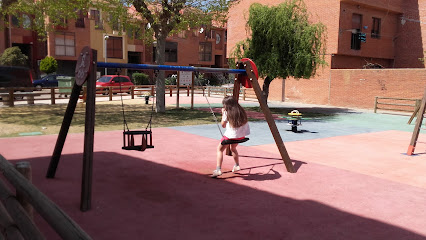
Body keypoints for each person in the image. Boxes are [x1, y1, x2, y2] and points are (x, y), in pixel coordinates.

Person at [212, 96, 250, 177]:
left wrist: (223, 114)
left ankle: (218, 169)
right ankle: (237, 165)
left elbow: (223, 125)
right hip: (241, 136)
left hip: (230, 137)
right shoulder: (241, 111)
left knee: (219, 150)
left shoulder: (227, 112)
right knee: (233, 148)